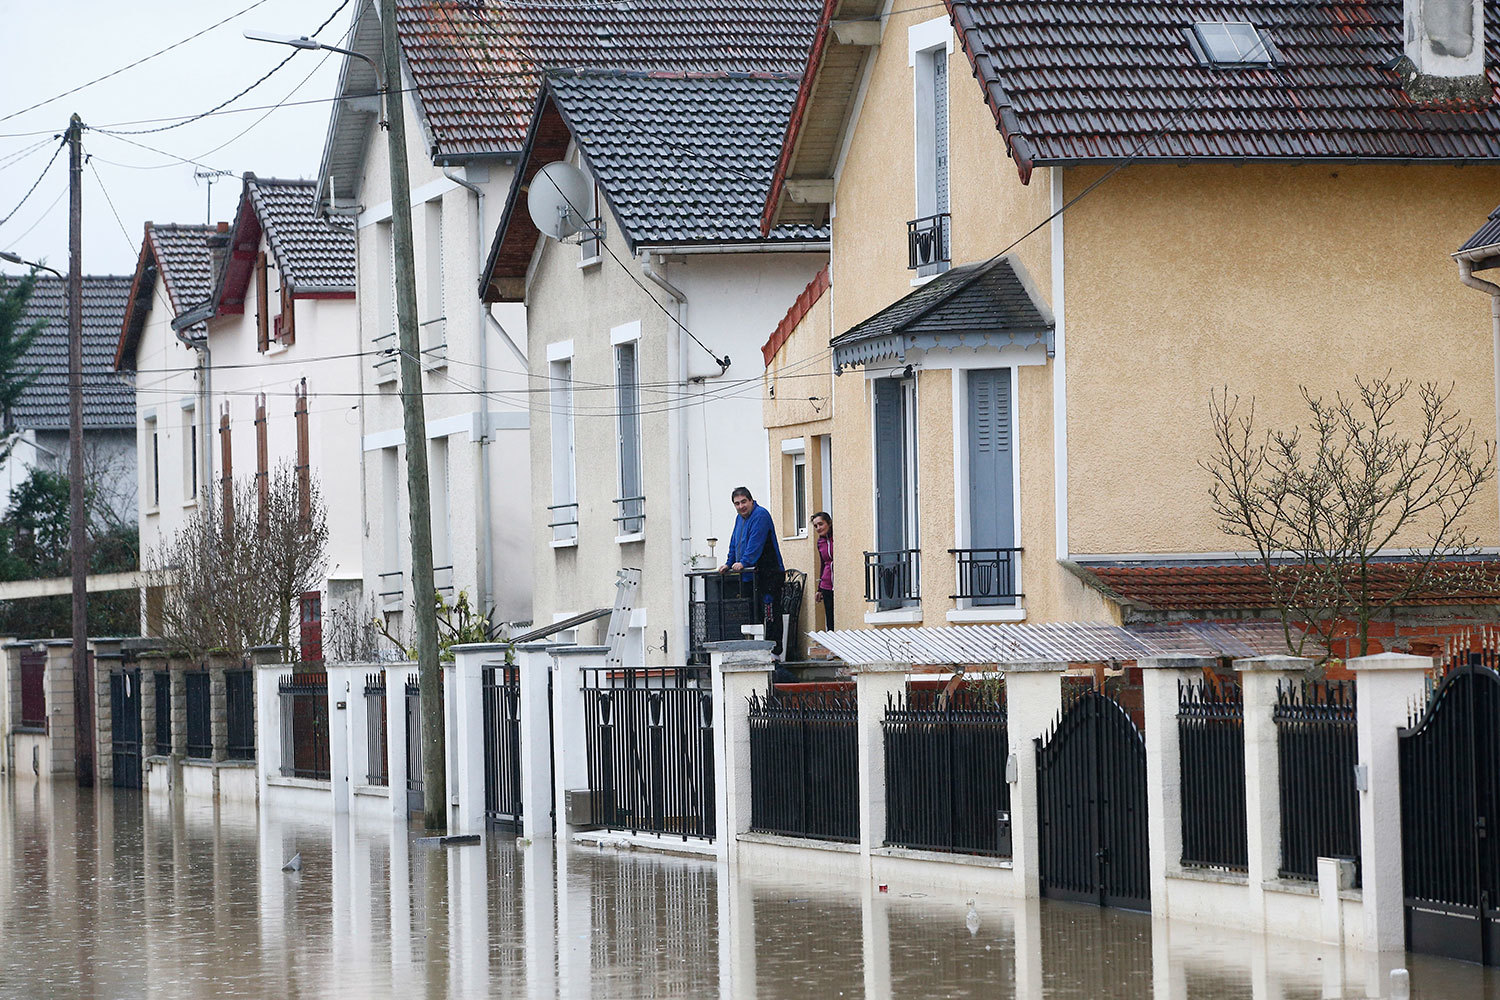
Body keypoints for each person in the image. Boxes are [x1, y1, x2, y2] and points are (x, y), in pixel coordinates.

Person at [719, 486, 785, 657]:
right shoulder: (739, 519)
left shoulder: (760, 515)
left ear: (750, 500)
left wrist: (744, 562)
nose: (741, 506)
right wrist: (729, 563)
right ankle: (755, 650)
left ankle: (774, 653)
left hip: (768, 573)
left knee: (770, 613)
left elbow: (755, 543)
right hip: (750, 575)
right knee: (752, 613)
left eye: (743, 502)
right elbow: (735, 542)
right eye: (737, 504)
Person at [811, 511, 834, 629]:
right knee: (830, 618)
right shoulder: (820, 542)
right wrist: (819, 588)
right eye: (815, 526)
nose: (818, 528)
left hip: (838, 581)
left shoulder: (836, 538)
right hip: (827, 584)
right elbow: (822, 563)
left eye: (821, 524)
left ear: (829, 523)